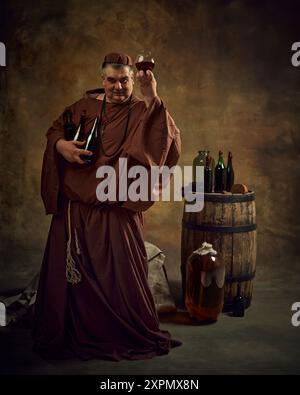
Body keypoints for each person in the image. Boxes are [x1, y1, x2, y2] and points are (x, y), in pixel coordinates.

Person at [32, 52, 182, 361]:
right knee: (75, 282)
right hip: (76, 213)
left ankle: (125, 330)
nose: (117, 87)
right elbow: (55, 131)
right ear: (103, 80)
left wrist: (150, 92)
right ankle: (74, 329)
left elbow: (168, 139)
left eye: (124, 80)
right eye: (111, 80)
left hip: (117, 210)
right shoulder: (83, 107)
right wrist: (61, 146)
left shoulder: (144, 110)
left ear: (131, 79)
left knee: (124, 278)